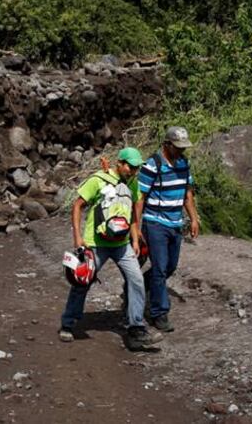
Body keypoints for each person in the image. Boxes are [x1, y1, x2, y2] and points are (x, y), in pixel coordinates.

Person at [59, 147, 161, 351]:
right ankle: (68, 323)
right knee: (82, 281)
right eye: (130, 167)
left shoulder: (132, 183)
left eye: (136, 168)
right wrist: (78, 237)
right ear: (120, 163)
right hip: (96, 243)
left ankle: (136, 329)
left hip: (121, 244)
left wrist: (134, 238)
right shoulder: (98, 179)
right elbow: (77, 206)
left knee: (136, 280)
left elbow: (131, 210)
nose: (133, 171)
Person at [137, 126, 201, 333]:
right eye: (177, 147)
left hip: (175, 223)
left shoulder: (183, 164)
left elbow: (187, 194)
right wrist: (136, 228)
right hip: (155, 223)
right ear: (167, 145)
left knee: (170, 267)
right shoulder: (152, 165)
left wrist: (193, 219)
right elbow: (140, 198)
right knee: (160, 268)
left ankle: (138, 286)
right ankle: (158, 313)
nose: (181, 151)